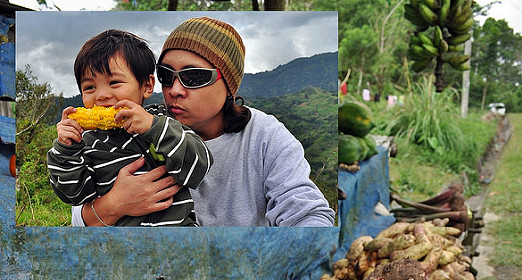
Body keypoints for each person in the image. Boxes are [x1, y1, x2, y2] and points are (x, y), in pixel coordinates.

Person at [71, 17, 335, 228]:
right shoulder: (134, 129)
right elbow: (81, 219)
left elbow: (304, 210)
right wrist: (114, 205)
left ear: (229, 85)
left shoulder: (265, 136)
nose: (175, 89)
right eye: (166, 75)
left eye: (194, 77)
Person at [48, 29, 212, 227]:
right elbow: (73, 194)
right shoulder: (89, 144)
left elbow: (199, 167)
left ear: (147, 85)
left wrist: (155, 128)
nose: (101, 96)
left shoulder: (164, 122)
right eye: (89, 87)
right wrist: (66, 150)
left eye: (114, 82)